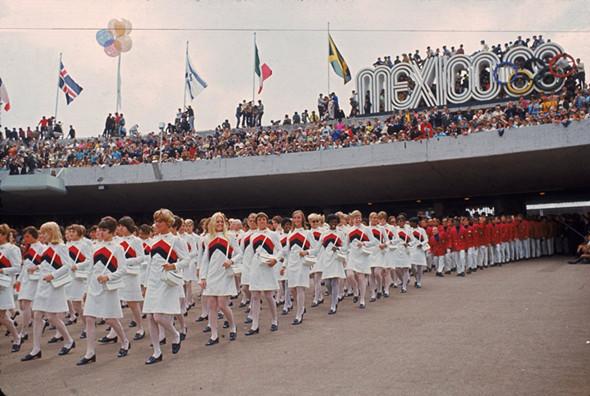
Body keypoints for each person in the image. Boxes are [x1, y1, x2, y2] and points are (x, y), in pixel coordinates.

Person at [77, 217, 130, 365]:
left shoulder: (117, 248)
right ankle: (90, 352)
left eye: (104, 230)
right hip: (94, 287)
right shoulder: (93, 247)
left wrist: (108, 277)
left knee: (110, 319)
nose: (100, 232)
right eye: (99, 229)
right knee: (89, 318)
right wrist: (86, 289)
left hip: (108, 288)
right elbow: (90, 269)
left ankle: (125, 341)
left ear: (112, 232)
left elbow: (123, 269)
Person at [22, 222, 76, 361]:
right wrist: (37, 267)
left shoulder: (62, 247)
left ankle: (69, 341)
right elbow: (47, 263)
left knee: (52, 317)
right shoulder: (47, 248)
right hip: (43, 284)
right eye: (41, 233)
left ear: (51, 232)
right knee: (38, 314)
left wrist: (53, 275)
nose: (41, 235)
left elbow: (67, 266)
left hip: (53, 286)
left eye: (44, 232)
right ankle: (36, 349)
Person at [142, 209, 190, 364]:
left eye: (160, 221)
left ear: (168, 223)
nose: (156, 224)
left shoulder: (176, 240)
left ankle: (175, 334)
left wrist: (173, 266)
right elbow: (150, 264)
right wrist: (145, 283)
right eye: (155, 221)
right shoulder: (153, 240)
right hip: (153, 281)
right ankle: (157, 352)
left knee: (159, 316)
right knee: (150, 317)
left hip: (167, 282)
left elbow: (186, 260)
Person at [199, 212, 242, 345]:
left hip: (224, 273)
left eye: (221, 221)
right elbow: (205, 260)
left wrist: (231, 261)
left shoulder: (230, 236)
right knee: (211, 305)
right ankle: (214, 335)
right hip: (212, 274)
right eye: (217, 221)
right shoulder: (207, 238)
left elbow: (240, 253)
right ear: (212, 223)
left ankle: (233, 327)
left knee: (223, 304)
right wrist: (203, 277)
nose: (219, 224)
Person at [245, 212, 282, 335]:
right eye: (259, 219)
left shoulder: (273, 235)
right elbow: (250, 254)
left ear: (267, 221)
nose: (261, 221)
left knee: (268, 295)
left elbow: (281, 251)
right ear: (256, 222)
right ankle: (255, 325)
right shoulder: (252, 236)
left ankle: (274, 320)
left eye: (264, 219)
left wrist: (275, 259)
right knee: (255, 296)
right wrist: (248, 270)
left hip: (267, 267)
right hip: (256, 268)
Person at [283, 210, 317, 325]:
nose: (296, 220)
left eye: (299, 218)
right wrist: (282, 263)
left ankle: (298, 314)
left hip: (302, 264)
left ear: (303, 219)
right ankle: (301, 308)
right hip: (292, 263)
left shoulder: (308, 233)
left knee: (300, 288)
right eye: (295, 218)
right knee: (292, 289)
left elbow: (316, 249)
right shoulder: (290, 234)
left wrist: (306, 252)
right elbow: (286, 251)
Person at [16, 227, 45, 344]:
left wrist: (37, 267)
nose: (25, 239)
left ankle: (23, 331)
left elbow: (46, 263)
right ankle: (39, 323)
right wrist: (19, 280)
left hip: (35, 279)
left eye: (28, 236)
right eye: (24, 236)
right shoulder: (28, 248)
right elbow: (25, 266)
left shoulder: (42, 248)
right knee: (25, 306)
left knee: (26, 304)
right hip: (26, 279)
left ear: (34, 235)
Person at [64, 225, 93, 338]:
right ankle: (86, 323)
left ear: (80, 233)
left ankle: (88, 325)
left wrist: (78, 265)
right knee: (76, 304)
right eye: (69, 232)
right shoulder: (67, 245)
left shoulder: (84, 244)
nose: (70, 234)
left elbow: (89, 260)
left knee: (82, 301)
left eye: (73, 232)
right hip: (70, 277)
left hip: (81, 277)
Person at [345, 210, 377, 308]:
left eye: (359, 217)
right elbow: (346, 245)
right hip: (352, 255)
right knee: (349, 275)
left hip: (363, 256)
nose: (357, 219)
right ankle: (355, 290)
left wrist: (363, 243)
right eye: (355, 217)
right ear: (352, 219)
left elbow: (374, 241)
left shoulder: (366, 229)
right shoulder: (349, 230)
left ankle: (362, 300)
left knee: (361, 277)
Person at [317, 214, 347, 314]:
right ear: (328, 222)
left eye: (335, 221)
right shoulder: (324, 233)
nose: (333, 223)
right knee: (327, 283)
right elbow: (317, 248)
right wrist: (307, 253)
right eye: (331, 221)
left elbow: (346, 248)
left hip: (336, 260)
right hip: (326, 260)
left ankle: (333, 305)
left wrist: (338, 248)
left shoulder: (341, 233)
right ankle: (334, 297)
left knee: (334, 282)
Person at [0, 223, 23, 352]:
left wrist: (2, 270)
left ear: (4, 235)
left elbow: (17, 267)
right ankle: (16, 336)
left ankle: (17, 337)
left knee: (1, 315)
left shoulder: (12, 249)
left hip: (4, 284)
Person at [408, 217, 430, 288]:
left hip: (420, 250)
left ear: (415, 223)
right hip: (412, 250)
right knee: (412, 266)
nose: (410, 224)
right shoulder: (409, 230)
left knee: (419, 267)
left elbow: (426, 239)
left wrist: (422, 244)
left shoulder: (422, 230)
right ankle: (417, 278)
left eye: (411, 222)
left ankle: (419, 282)